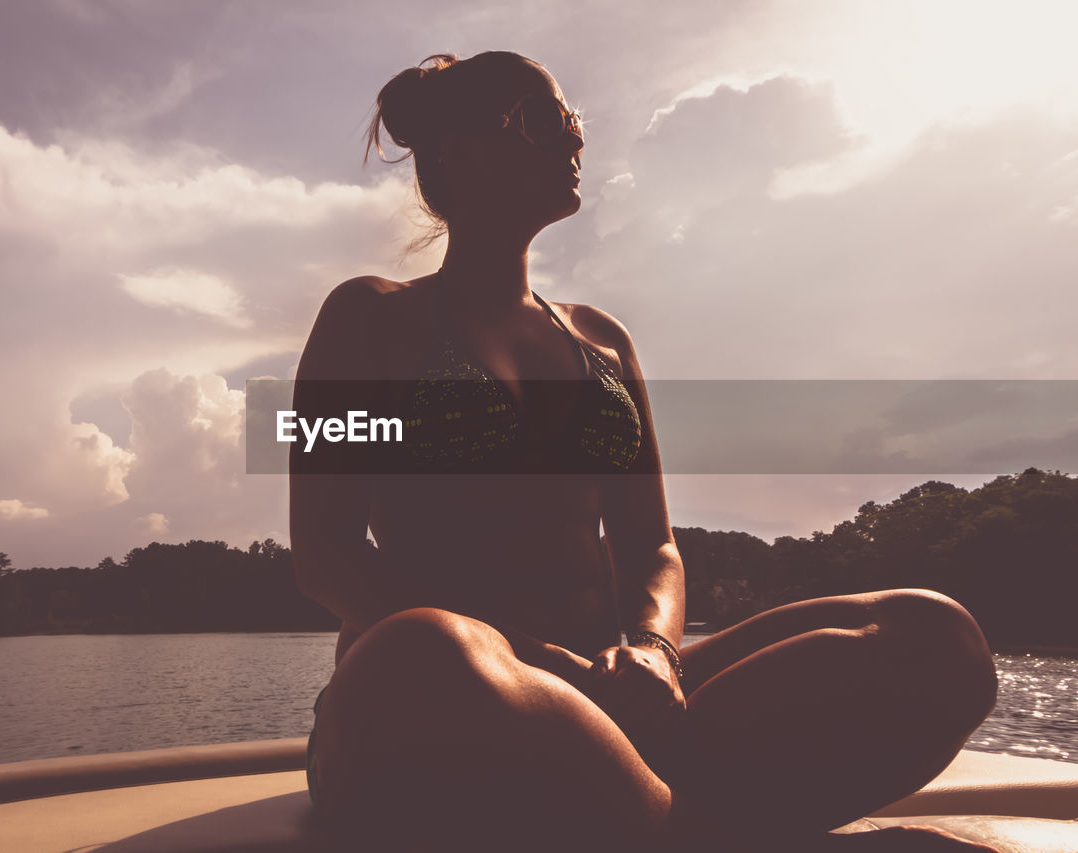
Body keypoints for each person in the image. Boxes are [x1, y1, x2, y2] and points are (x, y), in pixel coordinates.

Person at [289, 51, 1000, 852]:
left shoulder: (603, 340)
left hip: (622, 699)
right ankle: (693, 826)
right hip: (452, 705)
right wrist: (543, 664)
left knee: (936, 634)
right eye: (540, 119)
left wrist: (657, 656)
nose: (573, 138)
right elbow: (325, 551)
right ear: (459, 150)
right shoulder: (367, 320)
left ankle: (656, 814)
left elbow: (651, 545)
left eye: (573, 119)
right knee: (426, 648)